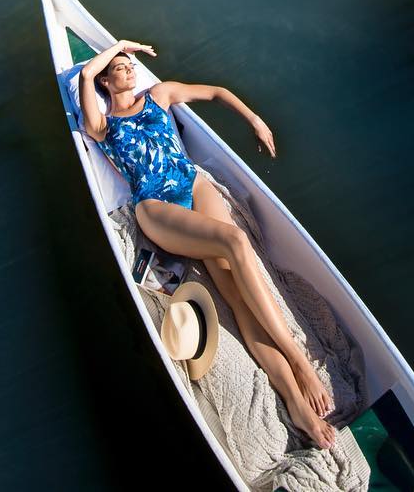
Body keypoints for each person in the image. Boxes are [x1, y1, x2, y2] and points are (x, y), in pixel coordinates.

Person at [78, 39, 337, 449]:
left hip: (193, 184)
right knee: (235, 239)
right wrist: (121, 45)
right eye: (119, 67)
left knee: (235, 292)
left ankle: (294, 402)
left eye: (129, 64)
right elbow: (86, 74)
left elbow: (216, 92)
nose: (127, 68)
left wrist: (256, 120)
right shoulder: (103, 125)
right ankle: (300, 362)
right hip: (156, 206)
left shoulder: (158, 95)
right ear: (107, 83)